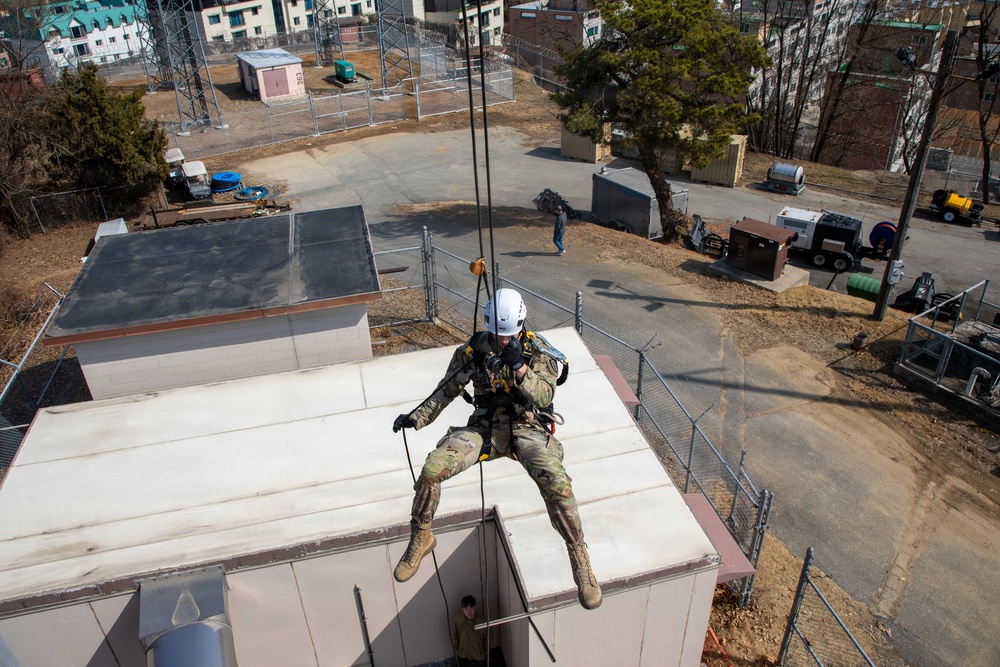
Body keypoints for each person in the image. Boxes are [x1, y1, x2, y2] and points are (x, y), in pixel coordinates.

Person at [392, 288, 602, 609]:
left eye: (508, 334)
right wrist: (416, 417)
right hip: (484, 428)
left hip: (526, 427)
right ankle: (422, 534)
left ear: (520, 325)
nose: (502, 340)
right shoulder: (473, 351)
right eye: (497, 334)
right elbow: (446, 389)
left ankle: (579, 557)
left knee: (556, 481)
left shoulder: (537, 352)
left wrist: (519, 367)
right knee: (432, 468)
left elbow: (544, 396)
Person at [452, 595, 487, 667]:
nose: (469, 611)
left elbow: (488, 637)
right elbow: (455, 635)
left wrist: (484, 651)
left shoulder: (482, 620)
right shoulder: (458, 620)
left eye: (471, 607)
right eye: (466, 608)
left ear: (475, 608)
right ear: (462, 609)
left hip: (479, 654)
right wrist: (458, 650)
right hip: (463, 654)